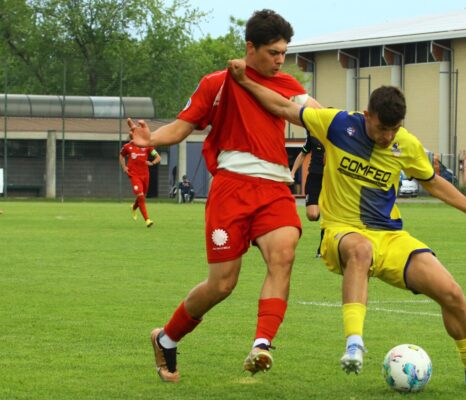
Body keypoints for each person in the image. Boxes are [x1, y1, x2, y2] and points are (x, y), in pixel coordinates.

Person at [228, 59, 466, 389]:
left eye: (394, 129)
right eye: (382, 129)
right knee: (361, 249)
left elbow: (432, 181)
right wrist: (246, 83)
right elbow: (283, 106)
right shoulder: (337, 124)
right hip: (341, 230)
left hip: (390, 236)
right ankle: (354, 343)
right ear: (367, 116)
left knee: (451, 292)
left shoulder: (405, 144)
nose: (388, 136)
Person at [128, 10, 320, 382]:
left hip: (275, 188)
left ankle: (262, 345)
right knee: (222, 284)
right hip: (231, 189)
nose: (280, 60)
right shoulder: (216, 84)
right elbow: (183, 126)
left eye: (284, 53)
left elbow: (320, 114)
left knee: (283, 255)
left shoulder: (286, 84)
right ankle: (166, 338)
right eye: (273, 52)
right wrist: (150, 138)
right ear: (251, 47)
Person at [290, 132, 325, 257]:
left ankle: (322, 250)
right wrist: (293, 172)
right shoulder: (313, 134)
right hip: (314, 177)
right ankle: (322, 208)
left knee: (328, 216)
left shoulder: (337, 133)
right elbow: (303, 154)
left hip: (331, 178)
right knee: (313, 215)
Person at [119, 140, 161, 228]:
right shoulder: (128, 146)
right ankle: (147, 220)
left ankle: (134, 207)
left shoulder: (147, 146)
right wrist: (124, 167)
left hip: (145, 175)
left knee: (142, 196)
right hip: (133, 174)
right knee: (141, 195)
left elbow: (158, 157)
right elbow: (121, 155)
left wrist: (152, 162)